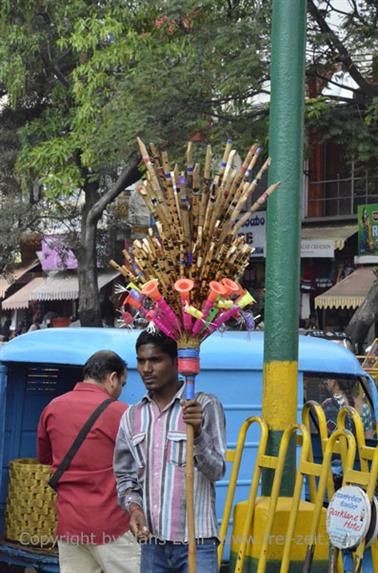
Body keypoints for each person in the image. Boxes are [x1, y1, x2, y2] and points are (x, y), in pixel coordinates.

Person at [114, 331, 226, 573]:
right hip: (153, 545)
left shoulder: (203, 406)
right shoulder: (132, 417)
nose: (146, 369)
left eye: (155, 360)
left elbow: (217, 470)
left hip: (197, 542)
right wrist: (134, 508)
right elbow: (125, 478)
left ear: (177, 363)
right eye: (141, 361)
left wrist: (197, 434)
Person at [37, 350, 141, 573]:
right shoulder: (121, 413)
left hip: (70, 524)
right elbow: (140, 465)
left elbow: (45, 459)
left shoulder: (53, 407)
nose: (120, 391)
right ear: (112, 378)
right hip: (112, 525)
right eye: (121, 383)